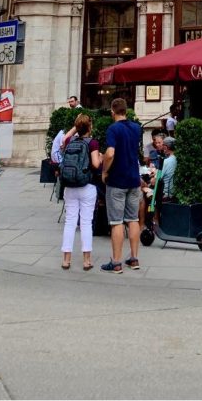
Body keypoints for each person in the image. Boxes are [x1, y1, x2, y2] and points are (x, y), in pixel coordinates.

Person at [100, 97, 142, 273]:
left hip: (117, 180)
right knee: (133, 219)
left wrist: (104, 171)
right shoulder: (136, 128)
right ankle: (133, 258)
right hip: (134, 179)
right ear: (127, 110)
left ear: (112, 111)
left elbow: (110, 153)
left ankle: (116, 262)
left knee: (116, 221)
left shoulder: (113, 129)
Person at [60, 113, 101, 271]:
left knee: (70, 222)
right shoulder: (92, 143)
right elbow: (96, 164)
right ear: (90, 126)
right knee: (85, 223)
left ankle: (66, 259)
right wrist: (101, 158)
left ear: (77, 127)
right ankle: (86, 261)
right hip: (87, 186)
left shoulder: (71, 141)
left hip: (70, 186)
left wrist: (76, 127)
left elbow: (64, 139)